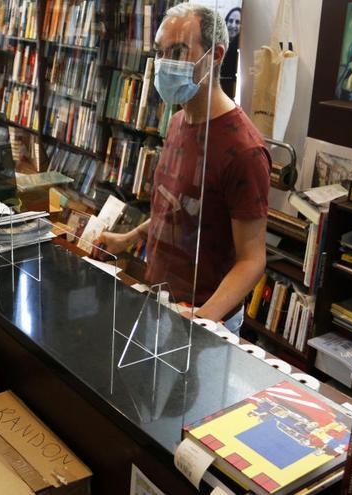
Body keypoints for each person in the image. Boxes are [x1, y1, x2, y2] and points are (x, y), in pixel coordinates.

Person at [96, 3, 269, 334]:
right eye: (161, 52)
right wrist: (129, 238)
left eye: (178, 50)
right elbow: (176, 206)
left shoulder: (245, 151)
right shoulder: (177, 122)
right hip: (161, 301)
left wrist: (204, 317)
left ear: (215, 55)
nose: (164, 64)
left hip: (205, 317)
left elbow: (252, 260)